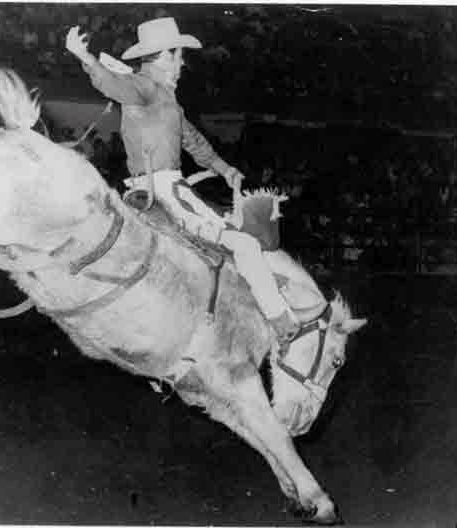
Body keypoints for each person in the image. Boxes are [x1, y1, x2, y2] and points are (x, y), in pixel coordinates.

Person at [66, 17, 300, 341]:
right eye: (178, 56)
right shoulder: (145, 87)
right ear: (164, 57)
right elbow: (112, 84)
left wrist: (224, 168)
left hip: (169, 189)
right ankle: (281, 320)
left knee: (232, 242)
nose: (182, 64)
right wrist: (85, 57)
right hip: (162, 191)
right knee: (244, 243)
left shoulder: (165, 97)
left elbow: (192, 140)